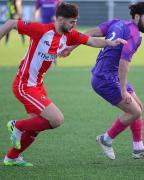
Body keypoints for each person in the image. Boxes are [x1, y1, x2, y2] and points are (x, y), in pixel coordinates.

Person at [0, 2, 126, 166]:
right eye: (72, 21)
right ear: (60, 20)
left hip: (37, 85)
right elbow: (10, 23)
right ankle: (16, 126)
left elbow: (92, 41)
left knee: (37, 125)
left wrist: (110, 43)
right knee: (57, 119)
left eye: (76, 21)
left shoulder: (69, 35)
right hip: (24, 85)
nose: (75, 25)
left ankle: (11, 157)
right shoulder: (40, 30)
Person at [62, 2, 144, 160]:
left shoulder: (116, 22)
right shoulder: (135, 35)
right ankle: (106, 139)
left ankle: (138, 149)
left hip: (109, 75)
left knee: (138, 106)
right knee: (134, 111)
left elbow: (89, 33)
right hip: (105, 79)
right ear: (137, 16)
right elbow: (123, 63)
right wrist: (124, 90)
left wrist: (72, 47)